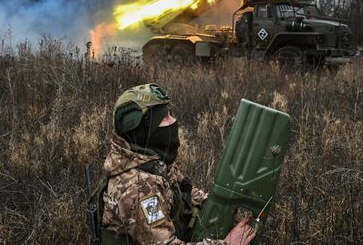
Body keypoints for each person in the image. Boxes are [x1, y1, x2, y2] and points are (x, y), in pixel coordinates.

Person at [99, 83, 256, 245]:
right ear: (143, 130)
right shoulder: (136, 188)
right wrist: (228, 244)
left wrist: (219, 207)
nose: (173, 121)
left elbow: (182, 188)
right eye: (164, 118)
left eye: (170, 114)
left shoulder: (151, 159)